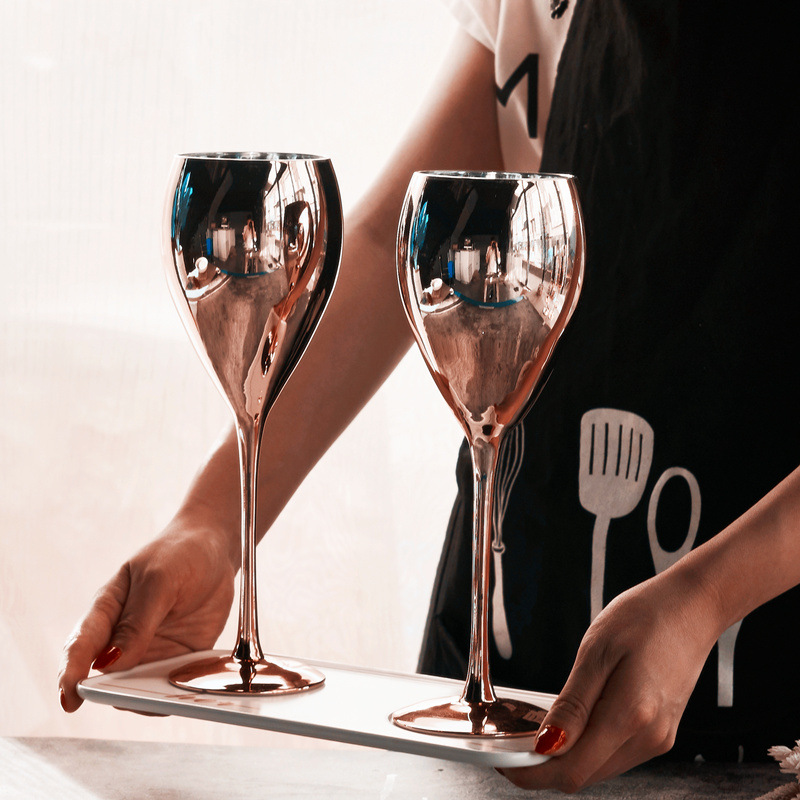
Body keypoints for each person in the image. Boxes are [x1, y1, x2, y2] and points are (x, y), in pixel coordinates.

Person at [59, 0, 800, 793]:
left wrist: (707, 596)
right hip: (501, 648)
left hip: (762, 714)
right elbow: (405, 241)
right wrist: (212, 524)